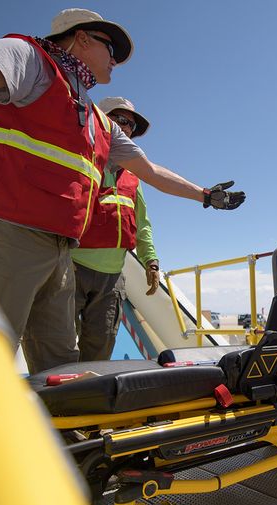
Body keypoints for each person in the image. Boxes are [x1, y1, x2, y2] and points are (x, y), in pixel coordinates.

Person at [0, 8, 245, 374]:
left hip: (59, 250)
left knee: (60, 361)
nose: (116, 61)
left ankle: (65, 440)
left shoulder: (97, 120)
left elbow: (151, 171)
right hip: (9, 234)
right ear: (81, 40)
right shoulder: (31, 59)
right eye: (111, 50)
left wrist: (205, 196)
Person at [70, 96, 158, 362]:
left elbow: (142, 224)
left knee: (101, 345)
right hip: (71, 268)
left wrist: (151, 261)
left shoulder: (134, 178)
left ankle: (88, 399)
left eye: (130, 125)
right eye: (120, 120)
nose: (127, 128)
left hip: (111, 278)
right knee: (58, 345)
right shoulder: (80, 159)